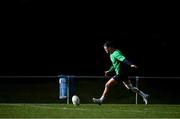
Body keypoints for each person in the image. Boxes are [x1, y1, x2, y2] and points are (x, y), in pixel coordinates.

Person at [92, 41, 149, 105]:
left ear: (110, 47)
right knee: (130, 87)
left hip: (121, 73)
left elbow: (123, 59)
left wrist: (130, 64)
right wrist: (109, 71)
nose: (105, 50)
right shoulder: (111, 54)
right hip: (123, 73)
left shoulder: (116, 53)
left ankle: (101, 100)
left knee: (107, 84)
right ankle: (144, 95)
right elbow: (114, 65)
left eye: (105, 49)